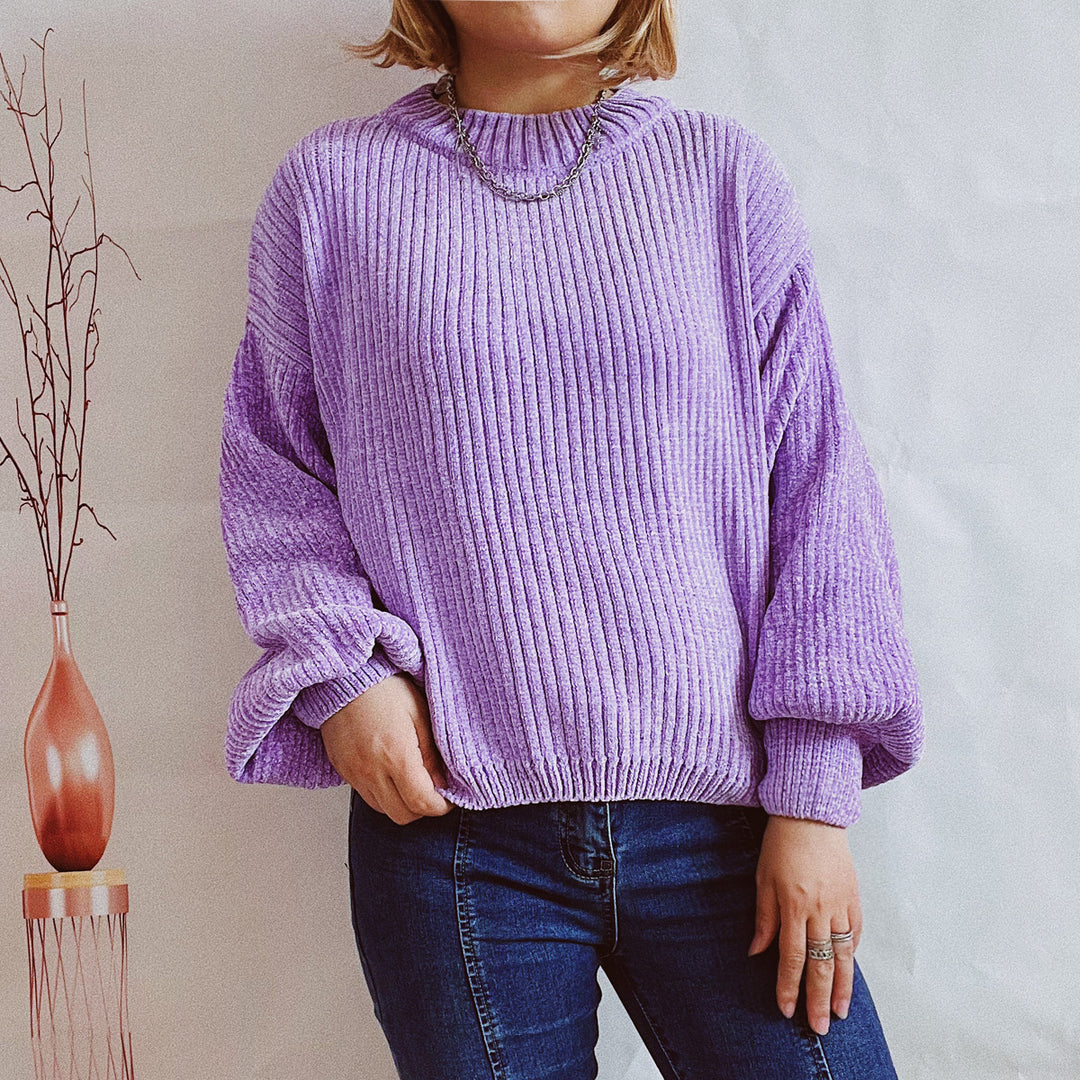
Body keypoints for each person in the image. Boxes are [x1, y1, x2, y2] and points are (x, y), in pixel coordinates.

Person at [218, 1, 925, 1076]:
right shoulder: (332, 188)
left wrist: (816, 800)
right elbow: (275, 467)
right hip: (454, 832)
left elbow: (819, 489)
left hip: (730, 824)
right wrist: (344, 675)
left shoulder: (719, 177)